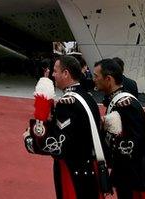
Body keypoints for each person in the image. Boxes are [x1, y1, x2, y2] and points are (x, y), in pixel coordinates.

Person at [24, 55, 106, 199]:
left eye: (56, 71)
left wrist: (30, 140)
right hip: (91, 168)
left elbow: (57, 145)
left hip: (72, 171)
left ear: (66, 73)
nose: (53, 75)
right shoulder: (88, 97)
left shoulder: (67, 103)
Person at [94, 58, 145, 198]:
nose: (94, 79)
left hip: (136, 176)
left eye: (96, 76)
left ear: (108, 79)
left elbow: (134, 144)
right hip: (129, 174)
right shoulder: (116, 101)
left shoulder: (125, 105)